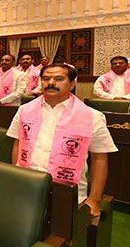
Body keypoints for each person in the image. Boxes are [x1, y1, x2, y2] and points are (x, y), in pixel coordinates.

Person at [6, 64, 117, 216]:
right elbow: (18, 145)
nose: (51, 83)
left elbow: (100, 159)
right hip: (26, 188)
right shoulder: (24, 110)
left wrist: (94, 200)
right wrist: (17, 179)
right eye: (46, 79)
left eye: (58, 79)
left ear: (72, 84)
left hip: (67, 194)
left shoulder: (91, 116)